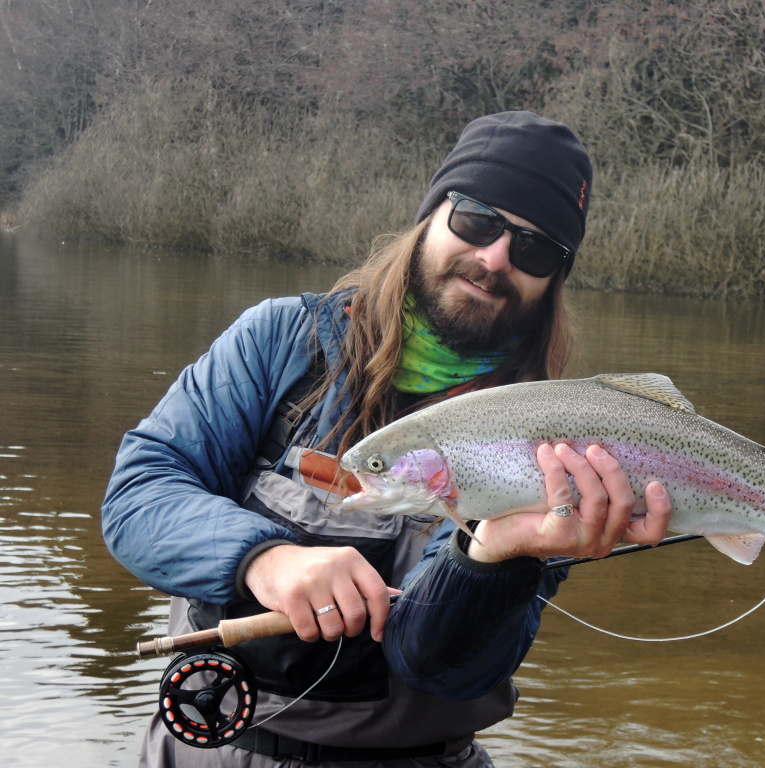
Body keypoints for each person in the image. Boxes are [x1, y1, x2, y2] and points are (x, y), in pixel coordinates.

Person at [102, 110, 672, 767]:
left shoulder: (554, 445)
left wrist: (492, 557)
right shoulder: (277, 341)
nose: (495, 258)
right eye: (478, 220)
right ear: (431, 215)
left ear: (552, 281)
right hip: (209, 744)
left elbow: (439, 666)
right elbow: (138, 496)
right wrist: (265, 559)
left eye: (535, 249)